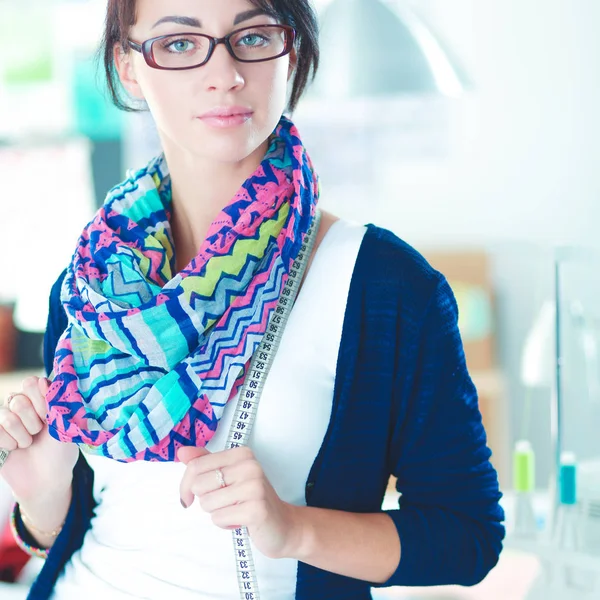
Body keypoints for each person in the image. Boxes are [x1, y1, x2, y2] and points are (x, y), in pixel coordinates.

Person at [0, 0, 505, 598]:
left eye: (254, 35)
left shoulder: (386, 287)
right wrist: (39, 503)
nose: (226, 74)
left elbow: (467, 537)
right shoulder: (91, 284)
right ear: (130, 67)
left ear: (292, 50)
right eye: (180, 44)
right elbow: (71, 531)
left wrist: (292, 528)